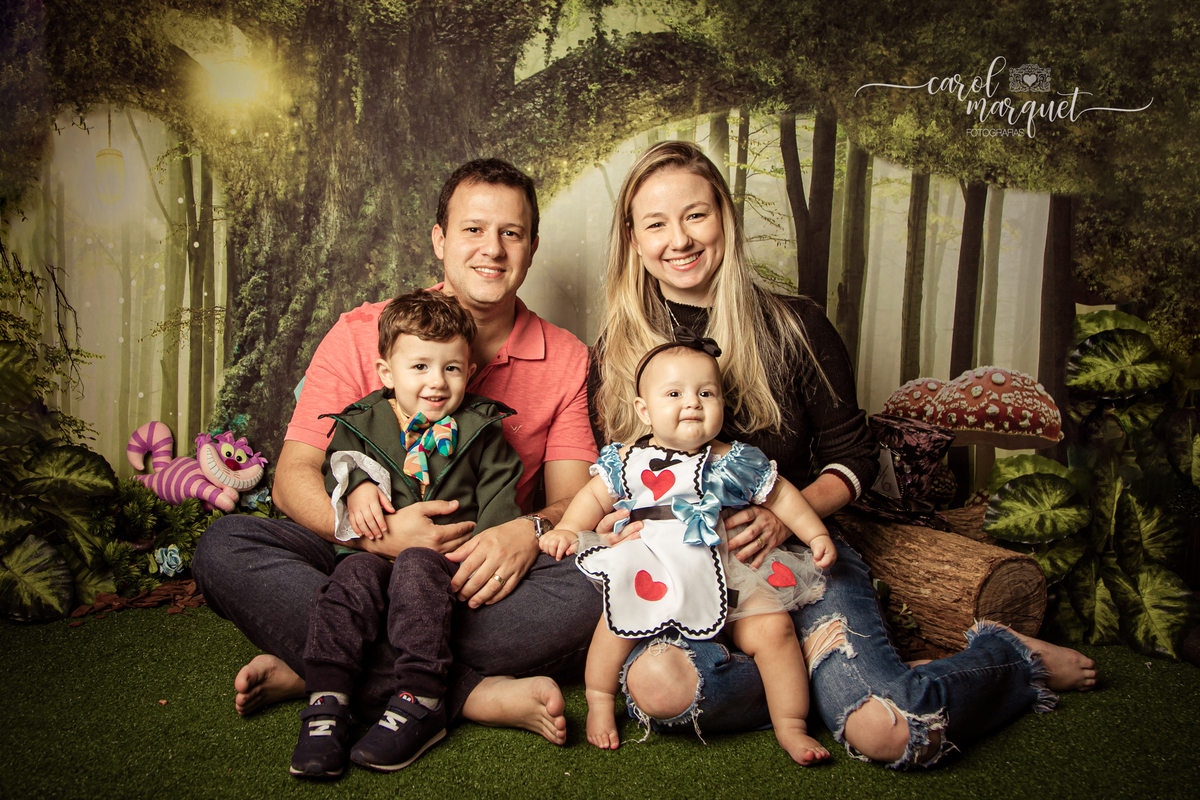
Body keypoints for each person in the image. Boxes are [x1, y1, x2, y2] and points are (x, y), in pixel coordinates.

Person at [587, 140, 1097, 768]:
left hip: (796, 561)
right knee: (660, 690)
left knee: (886, 731)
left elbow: (855, 455)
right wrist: (612, 525)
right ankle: (825, 677)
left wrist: (782, 519)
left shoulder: (795, 325)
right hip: (684, 576)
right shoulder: (615, 350)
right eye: (656, 224)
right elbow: (616, 477)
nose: (680, 239)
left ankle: (1009, 660)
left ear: (725, 217)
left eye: (696, 215)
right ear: (633, 240)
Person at [193, 159, 601, 747]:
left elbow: (572, 504)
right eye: (473, 229)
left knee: (596, 584)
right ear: (439, 240)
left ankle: (325, 665)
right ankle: (464, 693)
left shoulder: (564, 358)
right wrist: (378, 537)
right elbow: (292, 479)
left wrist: (527, 530)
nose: (492, 249)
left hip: (471, 574)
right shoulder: (362, 332)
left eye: (511, 233)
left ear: (532, 247)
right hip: (355, 560)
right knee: (225, 546)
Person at [541, 339, 834, 765]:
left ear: (722, 403)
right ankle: (600, 698)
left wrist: (815, 533)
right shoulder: (628, 460)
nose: (693, 403)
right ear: (644, 410)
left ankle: (791, 724)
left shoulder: (734, 461)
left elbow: (783, 496)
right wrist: (569, 528)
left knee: (775, 631)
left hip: (730, 568)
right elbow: (593, 496)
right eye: (675, 393)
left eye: (706, 393)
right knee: (616, 622)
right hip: (654, 564)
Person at [290, 290, 523, 778]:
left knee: (418, 566)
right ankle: (327, 698)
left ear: (469, 371)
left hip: (448, 567)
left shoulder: (483, 428)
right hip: (375, 556)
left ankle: (422, 696)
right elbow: (340, 465)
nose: (436, 382)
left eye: (451, 368)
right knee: (349, 575)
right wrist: (356, 488)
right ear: (386, 373)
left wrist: (483, 550)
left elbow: (500, 499)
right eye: (419, 367)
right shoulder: (361, 421)